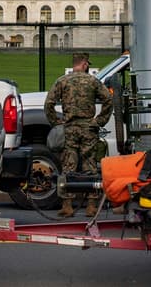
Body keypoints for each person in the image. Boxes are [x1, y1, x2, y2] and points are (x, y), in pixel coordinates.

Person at [44, 51, 114, 218]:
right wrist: (99, 121)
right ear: (84, 64)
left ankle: (67, 205)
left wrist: (56, 122)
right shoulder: (93, 81)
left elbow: (49, 104)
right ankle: (91, 206)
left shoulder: (62, 81)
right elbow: (108, 100)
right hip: (89, 128)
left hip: (69, 128)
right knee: (90, 166)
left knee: (69, 167)